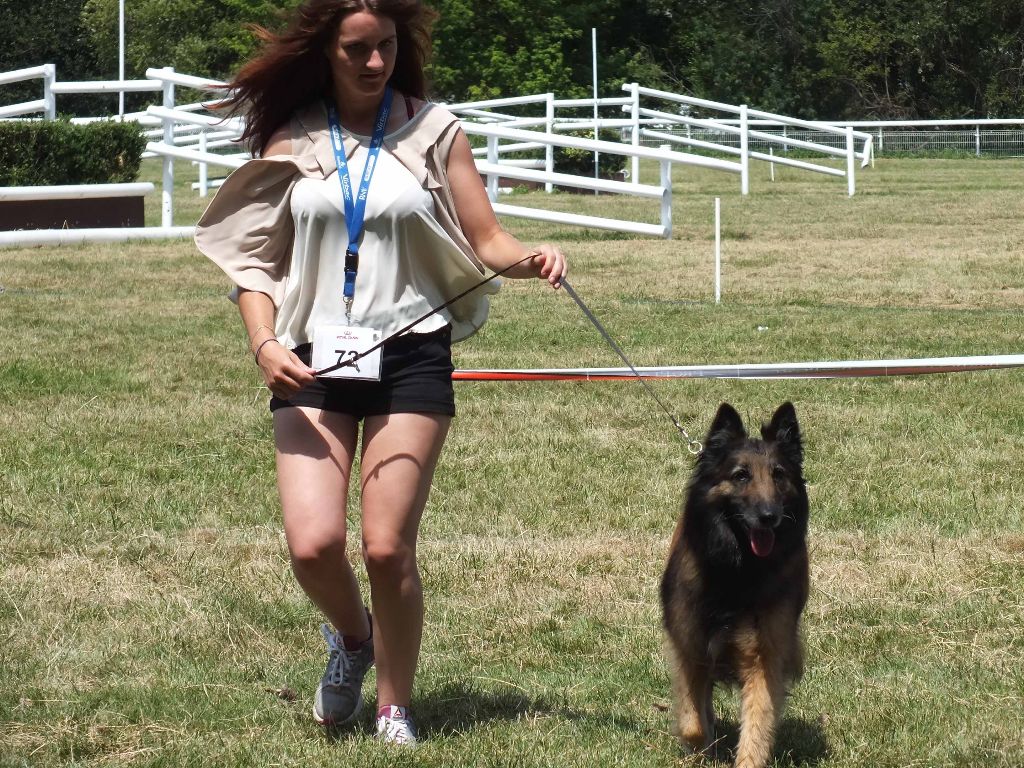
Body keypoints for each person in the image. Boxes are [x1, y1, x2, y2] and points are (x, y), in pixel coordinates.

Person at [194, 0, 566, 747]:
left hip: (410, 353)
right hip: (311, 358)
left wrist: (530, 259)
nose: (374, 63)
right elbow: (256, 263)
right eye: (358, 49)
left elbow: (485, 235)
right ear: (326, 51)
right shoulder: (292, 134)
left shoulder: (435, 130)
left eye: (387, 47)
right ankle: (355, 639)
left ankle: (395, 704)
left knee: (388, 546)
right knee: (313, 544)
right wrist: (264, 342)